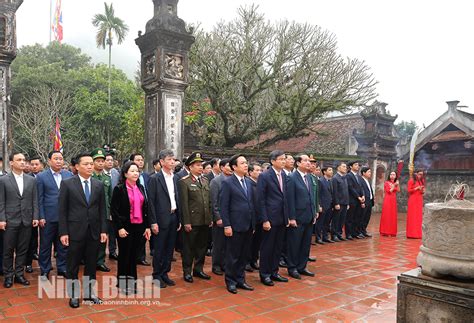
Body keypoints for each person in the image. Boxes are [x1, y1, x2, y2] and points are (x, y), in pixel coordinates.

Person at [59, 153, 108, 308]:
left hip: (93, 231)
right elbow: (62, 210)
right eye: (86, 164)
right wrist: (63, 232)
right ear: (77, 166)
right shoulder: (67, 184)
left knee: (91, 264)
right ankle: (73, 295)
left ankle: (89, 293)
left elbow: (102, 210)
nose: (89, 166)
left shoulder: (98, 185)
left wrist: (103, 230)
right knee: (72, 265)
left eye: (91, 164)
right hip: (74, 231)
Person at [110, 161, 152, 295]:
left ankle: (132, 281)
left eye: (137, 171)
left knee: (134, 255)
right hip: (125, 227)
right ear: (125, 173)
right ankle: (122, 282)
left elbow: (145, 208)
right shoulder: (119, 189)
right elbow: (114, 211)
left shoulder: (140, 187)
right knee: (124, 255)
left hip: (139, 227)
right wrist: (119, 228)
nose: (135, 173)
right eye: (132, 171)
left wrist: (147, 226)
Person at [0, 152, 39, 288]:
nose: (23, 162)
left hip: (27, 220)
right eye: (19, 160)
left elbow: (35, 200)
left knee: (23, 249)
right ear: (11, 163)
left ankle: (19, 274)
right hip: (10, 220)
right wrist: (2, 219)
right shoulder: (4, 180)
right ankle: (8, 276)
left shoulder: (31, 180)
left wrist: (35, 216)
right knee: (8, 250)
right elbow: (1, 202)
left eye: (24, 160)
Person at [220, 154, 256, 294]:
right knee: (233, 255)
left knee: (243, 255)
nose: (246, 165)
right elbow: (224, 206)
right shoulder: (228, 183)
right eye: (242, 163)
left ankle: (241, 280)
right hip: (234, 226)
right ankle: (231, 281)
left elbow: (251, 204)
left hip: (247, 225)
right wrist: (227, 225)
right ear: (234, 167)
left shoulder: (248, 182)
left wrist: (253, 224)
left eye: (246, 163)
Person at [37, 151, 73, 280]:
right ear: (49, 161)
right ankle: (45, 269)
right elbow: (39, 198)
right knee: (45, 245)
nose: (59, 161)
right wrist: (41, 216)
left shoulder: (69, 175)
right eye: (56, 158)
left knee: (63, 245)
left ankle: (62, 268)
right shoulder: (41, 177)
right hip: (48, 217)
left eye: (61, 158)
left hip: (65, 218)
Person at [148, 149, 181, 288]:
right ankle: (156, 276)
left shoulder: (175, 177)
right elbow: (151, 202)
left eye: (173, 159)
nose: (172, 161)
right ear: (161, 162)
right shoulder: (155, 179)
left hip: (173, 217)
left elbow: (176, 199)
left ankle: (165, 273)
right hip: (161, 219)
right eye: (169, 159)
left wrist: (179, 219)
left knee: (169, 248)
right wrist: (153, 222)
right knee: (159, 249)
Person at [178, 152, 213, 283]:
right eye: (197, 165)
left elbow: (208, 201)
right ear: (190, 167)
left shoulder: (205, 180)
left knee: (202, 247)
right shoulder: (184, 182)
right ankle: (187, 271)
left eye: (201, 165)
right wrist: (186, 222)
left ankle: (198, 269)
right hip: (192, 221)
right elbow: (184, 204)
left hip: (204, 220)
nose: (200, 167)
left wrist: (210, 218)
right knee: (189, 247)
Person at [257, 150, 289, 286]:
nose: (284, 161)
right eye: (281, 159)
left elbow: (286, 198)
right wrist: (265, 219)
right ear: (273, 161)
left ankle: (274, 272)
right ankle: (265, 274)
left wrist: (287, 217)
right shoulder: (265, 176)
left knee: (278, 247)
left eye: (284, 159)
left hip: (282, 217)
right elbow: (260, 199)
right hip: (270, 218)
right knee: (267, 248)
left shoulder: (284, 175)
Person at [286, 154, 316, 279]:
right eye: (305, 161)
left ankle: (302, 266)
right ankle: (292, 268)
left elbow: (312, 196)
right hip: (297, 217)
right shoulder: (292, 178)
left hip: (308, 216)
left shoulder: (309, 177)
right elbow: (290, 199)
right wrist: (291, 217)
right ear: (298, 163)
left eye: (309, 161)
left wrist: (313, 213)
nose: (308, 163)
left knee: (305, 243)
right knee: (294, 244)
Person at [91, 148, 112, 273]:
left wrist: (110, 213)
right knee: (91, 237)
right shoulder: (89, 177)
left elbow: (109, 197)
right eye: (97, 161)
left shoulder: (106, 178)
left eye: (102, 161)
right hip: (91, 213)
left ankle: (100, 261)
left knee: (103, 237)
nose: (100, 163)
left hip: (104, 213)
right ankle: (90, 260)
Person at [209, 158, 232, 276]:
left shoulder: (233, 180)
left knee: (228, 244)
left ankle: (224, 264)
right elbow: (214, 202)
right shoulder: (216, 181)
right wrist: (218, 217)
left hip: (231, 217)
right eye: (228, 165)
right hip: (220, 217)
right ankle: (216, 265)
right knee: (219, 243)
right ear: (222, 168)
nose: (231, 168)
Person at [130, 153, 151, 266]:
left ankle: (141, 257)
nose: (141, 162)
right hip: (133, 209)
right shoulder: (126, 180)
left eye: (142, 160)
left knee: (143, 235)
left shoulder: (146, 176)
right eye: (138, 160)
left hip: (144, 207)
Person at [25, 156, 43, 273]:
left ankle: (35, 253)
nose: (34, 166)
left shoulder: (44, 177)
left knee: (38, 238)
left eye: (37, 164)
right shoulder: (27, 178)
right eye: (32, 164)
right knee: (29, 239)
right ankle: (28, 263)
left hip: (41, 212)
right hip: (29, 213)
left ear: (41, 165)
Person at [104, 153, 119, 260]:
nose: (110, 162)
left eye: (111, 160)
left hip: (114, 207)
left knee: (113, 231)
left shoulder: (116, 173)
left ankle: (112, 251)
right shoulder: (99, 174)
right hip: (104, 208)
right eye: (107, 160)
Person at [247, 163, 262, 270]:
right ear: (250, 172)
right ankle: (247, 261)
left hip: (260, 218)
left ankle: (254, 259)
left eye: (260, 170)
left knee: (257, 241)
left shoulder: (260, 184)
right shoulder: (248, 184)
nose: (259, 172)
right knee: (249, 242)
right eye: (257, 170)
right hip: (251, 217)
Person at [346, 161, 365, 240]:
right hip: (352, 199)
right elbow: (351, 188)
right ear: (351, 167)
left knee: (357, 217)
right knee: (350, 217)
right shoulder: (348, 176)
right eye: (356, 165)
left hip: (359, 200)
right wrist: (358, 197)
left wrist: (363, 195)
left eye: (358, 165)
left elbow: (361, 187)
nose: (357, 166)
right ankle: (348, 234)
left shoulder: (358, 176)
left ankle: (354, 232)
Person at [331, 162, 349, 242]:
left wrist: (347, 202)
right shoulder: (335, 178)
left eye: (346, 167)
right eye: (343, 166)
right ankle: (334, 235)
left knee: (342, 220)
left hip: (345, 202)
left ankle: (339, 233)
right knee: (336, 220)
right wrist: (336, 203)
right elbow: (335, 192)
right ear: (338, 168)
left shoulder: (345, 178)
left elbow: (346, 191)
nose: (345, 168)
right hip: (339, 203)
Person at [379, 171, 400, 237]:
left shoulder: (395, 182)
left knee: (392, 215)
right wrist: (394, 185)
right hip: (388, 199)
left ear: (396, 176)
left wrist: (397, 184)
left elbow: (398, 190)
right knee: (387, 214)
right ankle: (385, 231)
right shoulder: (386, 183)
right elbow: (389, 191)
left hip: (393, 199)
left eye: (394, 174)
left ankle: (392, 231)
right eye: (391, 174)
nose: (392, 176)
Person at [406, 170, 425, 239]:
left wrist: (423, 190)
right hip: (413, 200)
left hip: (419, 200)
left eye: (422, 174)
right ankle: (411, 234)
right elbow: (409, 190)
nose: (420, 176)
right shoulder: (411, 181)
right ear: (416, 174)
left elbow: (421, 192)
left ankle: (418, 234)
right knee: (412, 216)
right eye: (419, 174)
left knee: (418, 217)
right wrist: (416, 188)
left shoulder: (421, 181)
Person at [318, 166, 334, 243]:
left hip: (330, 205)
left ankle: (325, 237)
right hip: (323, 205)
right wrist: (319, 205)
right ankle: (318, 238)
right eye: (329, 170)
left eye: (331, 170)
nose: (331, 171)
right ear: (324, 172)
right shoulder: (320, 181)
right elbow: (318, 194)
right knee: (320, 222)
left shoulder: (330, 181)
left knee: (327, 222)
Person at [360, 167, 374, 237]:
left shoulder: (367, 180)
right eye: (368, 172)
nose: (370, 173)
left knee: (367, 217)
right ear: (363, 173)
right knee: (362, 217)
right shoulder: (361, 181)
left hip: (370, 201)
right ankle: (359, 231)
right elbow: (361, 191)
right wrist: (362, 202)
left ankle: (364, 230)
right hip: (364, 201)